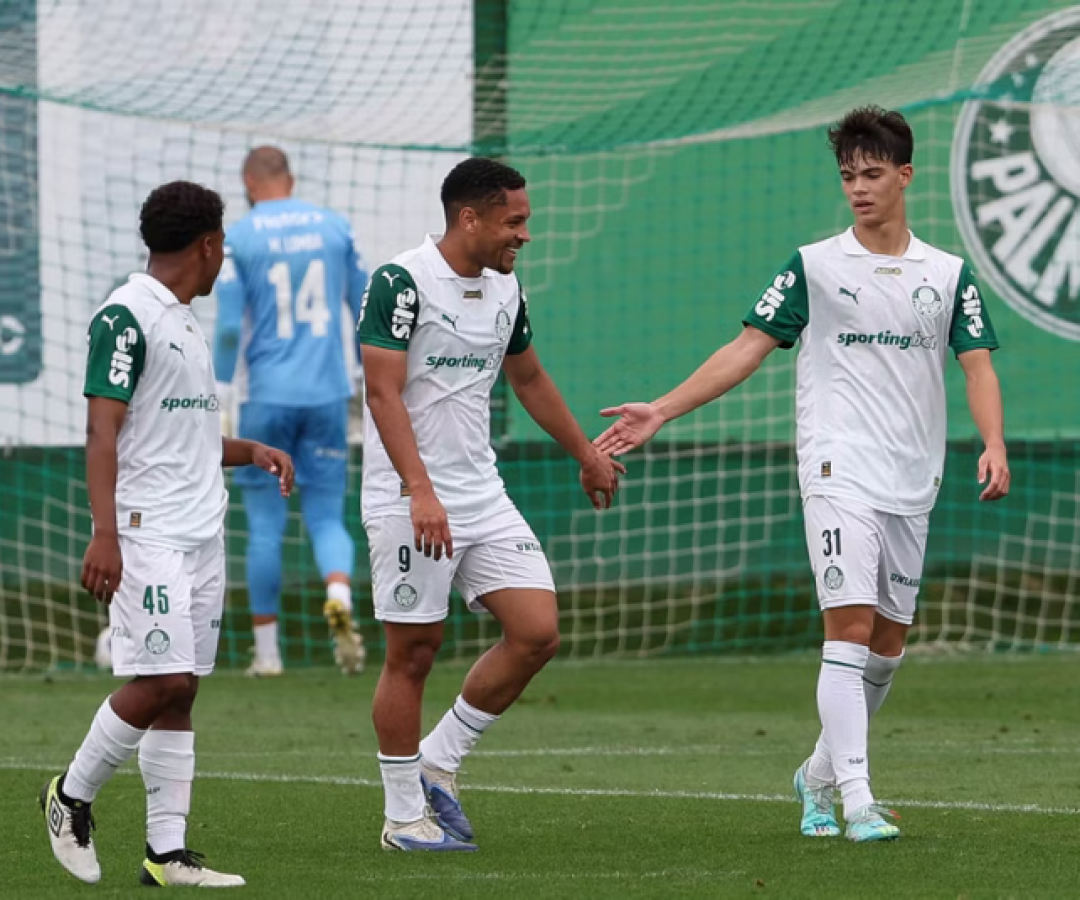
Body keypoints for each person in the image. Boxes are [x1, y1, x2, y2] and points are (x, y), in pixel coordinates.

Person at [595, 106, 1010, 843]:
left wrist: (994, 442)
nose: (858, 188)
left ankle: (816, 776)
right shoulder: (813, 266)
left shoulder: (946, 274)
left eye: (873, 174)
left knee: (888, 648)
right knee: (847, 631)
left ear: (905, 176)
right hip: (836, 465)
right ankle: (857, 800)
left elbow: (977, 365)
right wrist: (661, 409)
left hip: (915, 477)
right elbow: (746, 347)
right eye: (848, 175)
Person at [358, 156, 624, 851]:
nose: (524, 235)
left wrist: (587, 455)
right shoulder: (400, 282)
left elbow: (529, 377)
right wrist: (419, 489)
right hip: (407, 495)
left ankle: (438, 764)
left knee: (537, 630)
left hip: (481, 492)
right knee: (413, 652)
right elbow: (382, 393)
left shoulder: (506, 290)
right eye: (515, 221)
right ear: (468, 218)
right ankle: (401, 818)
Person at [41, 181, 295, 886]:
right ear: (208, 245)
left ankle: (167, 853)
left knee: (183, 691)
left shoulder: (184, 319)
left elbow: (178, 435)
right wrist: (105, 534)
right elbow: (103, 430)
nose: (225, 262)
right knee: (163, 678)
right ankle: (69, 796)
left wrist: (249, 450)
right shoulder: (126, 317)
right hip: (144, 532)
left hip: (200, 531)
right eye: (224, 249)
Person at [213, 146, 368, 676]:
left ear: (248, 182)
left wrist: (219, 396)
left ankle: (268, 654)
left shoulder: (241, 236)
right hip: (327, 393)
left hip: (267, 397)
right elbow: (362, 302)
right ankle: (340, 598)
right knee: (327, 514)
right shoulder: (334, 227)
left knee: (264, 525)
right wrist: (370, 380)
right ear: (291, 179)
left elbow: (231, 326)